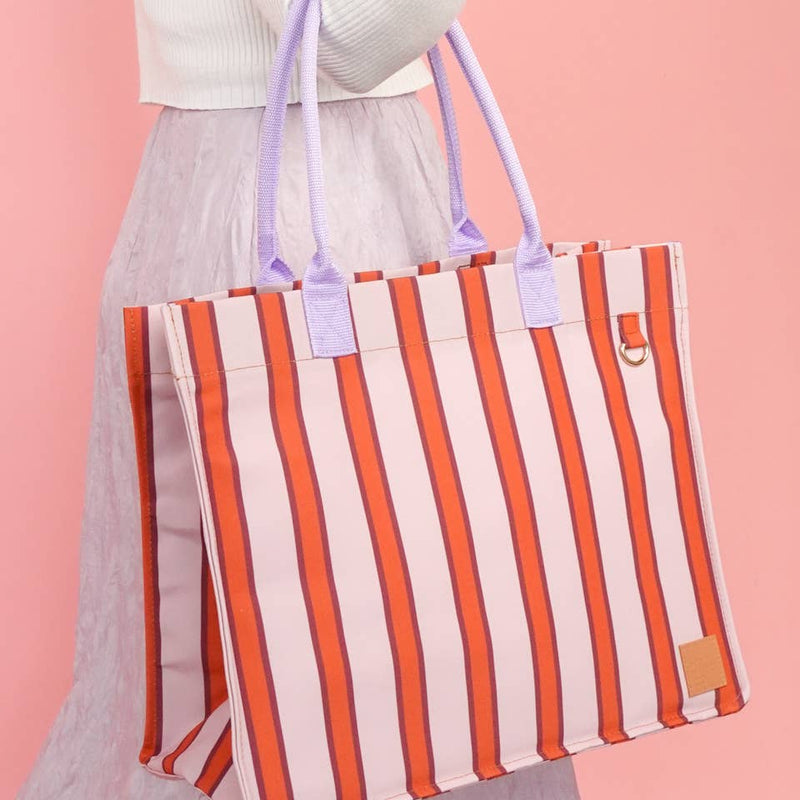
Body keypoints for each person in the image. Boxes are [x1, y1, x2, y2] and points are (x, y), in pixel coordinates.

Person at [18, 2, 581, 798]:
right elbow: (344, 37)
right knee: (341, 625)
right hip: (279, 191)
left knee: (427, 596)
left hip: (322, 172)